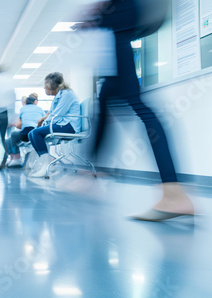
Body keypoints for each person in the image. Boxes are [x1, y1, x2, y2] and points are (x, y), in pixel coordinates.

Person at [78, 0, 194, 221]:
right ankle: (92, 171)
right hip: (119, 18)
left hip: (121, 15)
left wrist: (101, 10)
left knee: (133, 102)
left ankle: (173, 194)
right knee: (107, 99)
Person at [28, 73, 81, 178]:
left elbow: (56, 114)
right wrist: (44, 123)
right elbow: (52, 114)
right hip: (62, 123)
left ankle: (46, 164)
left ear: (52, 87)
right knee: (31, 133)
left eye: (46, 86)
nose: (44, 88)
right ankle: (46, 163)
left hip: (69, 126)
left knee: (36, 132)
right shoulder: (60, 95)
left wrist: (44, 124)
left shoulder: (67, 94)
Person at [6, 93, 46, 167]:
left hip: (25, 135)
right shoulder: (40, 109)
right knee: (10, 139)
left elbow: (18, 125)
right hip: (36, 134)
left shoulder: (23, 109)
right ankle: (13, 159)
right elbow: (44, 120)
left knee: (13, 135)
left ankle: (16, 159)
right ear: (36, 101)